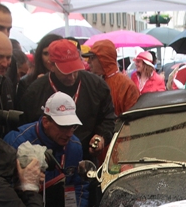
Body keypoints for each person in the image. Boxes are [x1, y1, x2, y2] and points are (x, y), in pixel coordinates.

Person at [20, 39, 115, 168]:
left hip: (86, 157)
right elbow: (26, 127)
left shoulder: (97, 86)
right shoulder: (34, 92)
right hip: (47, 161)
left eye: (75, 70)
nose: (72, 77)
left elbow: (108, 118)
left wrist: (101, 137)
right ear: (51, 65)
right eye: (66, 72)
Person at [4, 92, 89, 207]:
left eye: (73, 126)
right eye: (63, 126)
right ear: (45, 122)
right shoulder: (16, 142)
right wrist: (23, 182)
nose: (69, 133)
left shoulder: (74, 146)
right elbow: (1, 190)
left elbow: (78, 187)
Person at [82, 40, 140, 116]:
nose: (88, 62)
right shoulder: (94, 83)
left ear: (104, 60)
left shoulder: (127, 86)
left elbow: (133, 118)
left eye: (92, 58)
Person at [15, 33, 62, 109]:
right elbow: (23, 111)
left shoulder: (71, 79)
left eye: (55, 53)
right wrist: (37, 88)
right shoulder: (26, 82)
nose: (50, 59)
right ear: (40, 56)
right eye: (46, 53)